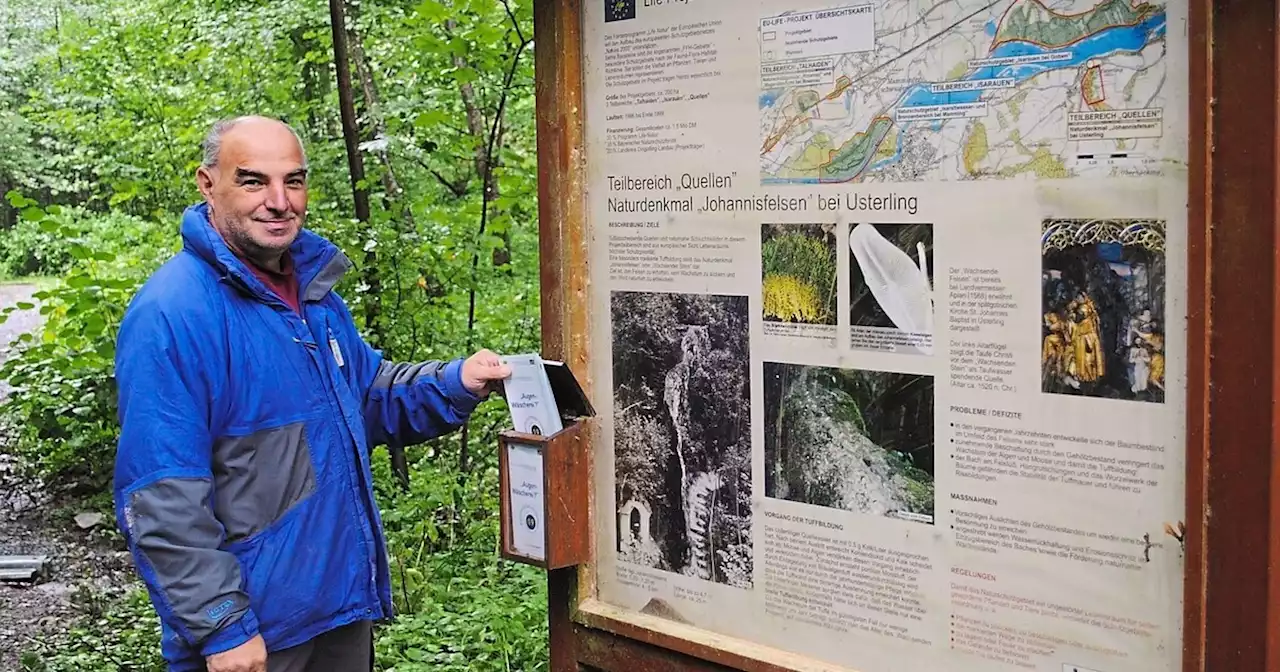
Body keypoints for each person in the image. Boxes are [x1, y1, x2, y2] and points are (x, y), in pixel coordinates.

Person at [112, 115, 512, 672]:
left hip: (340, 609)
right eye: (254, 181)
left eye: (293, 181)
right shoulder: (173, 314)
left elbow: (366, 398)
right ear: (208, 184)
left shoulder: (315, 297)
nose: (279, 200)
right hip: (256, 635)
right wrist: (220, 624)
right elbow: (160, 493)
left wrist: (455, 381)